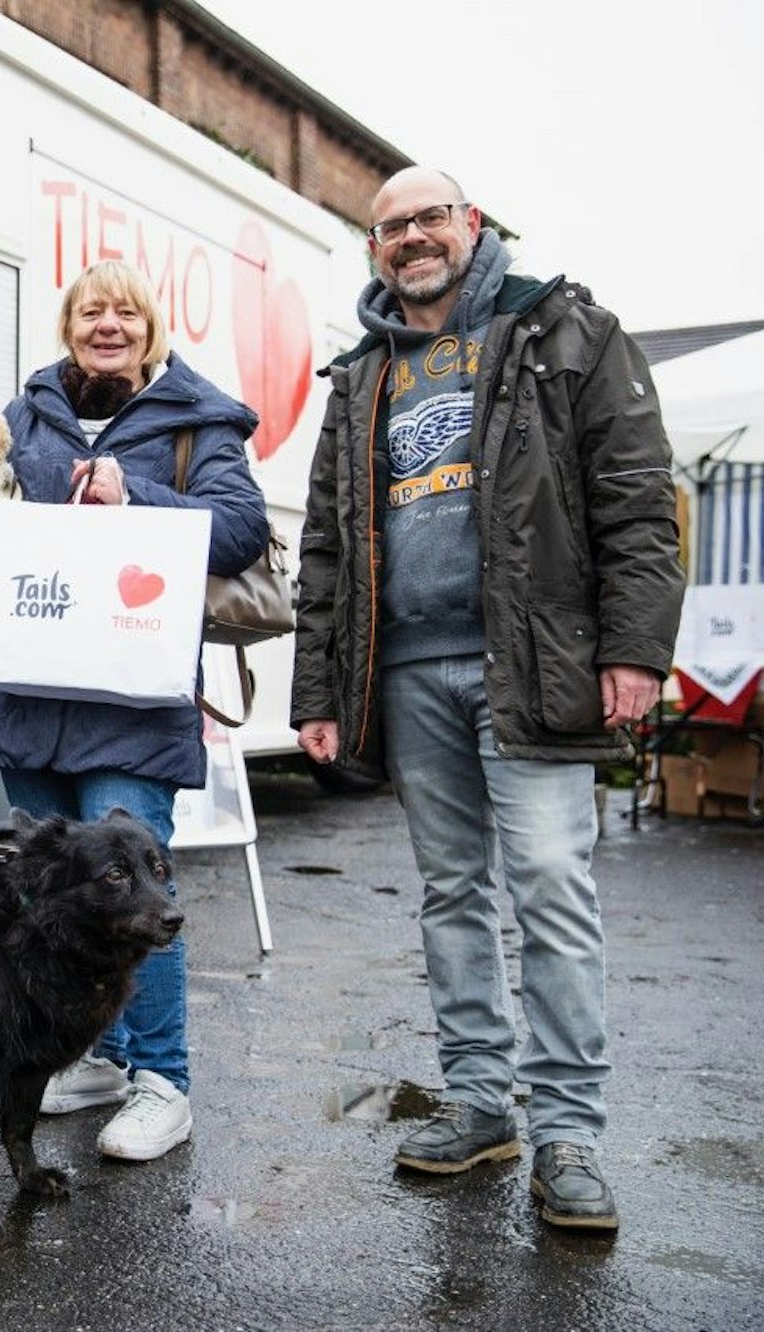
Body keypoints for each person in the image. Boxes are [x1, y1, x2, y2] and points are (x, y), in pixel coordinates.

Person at [292, 166, 684, 1231]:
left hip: (536, 661)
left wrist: (635, 650)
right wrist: (318, 686)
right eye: (389, 227)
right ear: (372, 249)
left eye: (428, 218)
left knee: (551, 884)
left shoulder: (562, 329)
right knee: (450, 891)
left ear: (470, 226)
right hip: (409, 670)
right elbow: (327, 540)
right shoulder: (361, 373)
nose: (410, 238)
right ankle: (477, 1102)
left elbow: (635, 500)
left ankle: (566, 1132)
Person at [0, 259, 269, 1162]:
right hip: (30, 693)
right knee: (51, 891)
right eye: (89, 310)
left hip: (131, 704)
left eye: (124, 312)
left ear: (150, 328)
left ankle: (163, 1080)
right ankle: (94, 1053)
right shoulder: (24, 417)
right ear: (67, 325)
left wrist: (137, 496)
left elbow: (241, 527)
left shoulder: (196, 420)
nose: (107, 324)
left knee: (136, 892)